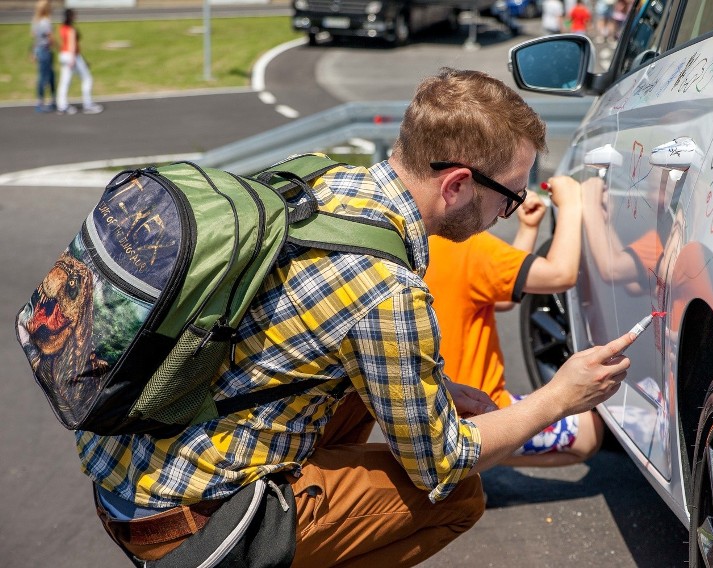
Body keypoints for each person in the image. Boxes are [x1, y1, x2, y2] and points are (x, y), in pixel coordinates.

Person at [79, 67, 634, 567]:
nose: (508, 212)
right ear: (458, 184)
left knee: (363, 393)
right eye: (509, 198)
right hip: (189, 525)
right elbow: (443, 463)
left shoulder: (319, 181)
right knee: (458, 496)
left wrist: (436, 388)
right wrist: (559, 397)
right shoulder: (386, 292)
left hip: (126, 464)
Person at [425, 176, 605, 467]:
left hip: (429, 409)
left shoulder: (420, 241)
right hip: (480, 410)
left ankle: (467, 465)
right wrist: (572, 203)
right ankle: (474, 464)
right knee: (589, 432)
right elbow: (559, 274)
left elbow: (502, 295)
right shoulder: (469, 246)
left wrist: (528, 228)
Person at [56, 8, 102, 115]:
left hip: (64, 55)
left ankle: (62, 105)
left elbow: (64, 43)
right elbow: (72, 45)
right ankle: (88, 105)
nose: (76, 17)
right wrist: (73, 59)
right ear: (71, 16)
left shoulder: (62, 28)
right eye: (74, 15)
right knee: (87, 78)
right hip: (72, 56)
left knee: (64, 81)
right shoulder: (71, 29)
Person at [30, 0, 56, 113]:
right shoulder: (46, 22)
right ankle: (41, 102)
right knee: (45, 77)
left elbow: (35, 38)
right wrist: (60, 47)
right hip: (46, 51)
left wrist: (33, 52)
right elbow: (50, 38)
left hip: (40, 50)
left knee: (50, 76)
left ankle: (52, 100)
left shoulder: (35, 22)